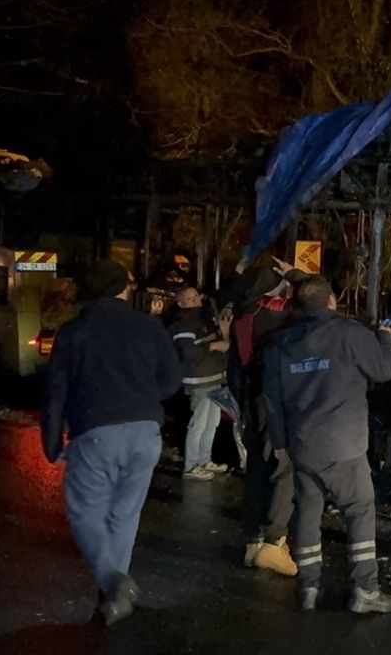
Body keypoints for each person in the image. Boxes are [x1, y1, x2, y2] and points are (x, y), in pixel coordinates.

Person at [40, 259, 181, 625]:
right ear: (123, 289)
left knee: (85, 511)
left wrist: (52, 441)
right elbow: (170, 383)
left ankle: (111, 580)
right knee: (125, 515)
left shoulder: (73, 332)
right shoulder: (149, 327)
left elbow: (55, 393)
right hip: (145, 433)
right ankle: (113, 597)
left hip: (96, 433)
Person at [263, 276, 391, 613]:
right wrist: (385, 336)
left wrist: (280, 442)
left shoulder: (280, 344)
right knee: (359, 510)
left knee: (308, 511)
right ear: (333, 300)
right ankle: (365, 590)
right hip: (345, 445)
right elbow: (383, 370)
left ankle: (308, 586)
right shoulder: (349, 333)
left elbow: (272, 399)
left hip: (303, 445)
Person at [228, 259, 302, 576]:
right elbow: (320, 297)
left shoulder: (243, 317)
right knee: (285, 469)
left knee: (257, 469)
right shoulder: (282, 316)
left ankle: (253, 541)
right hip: (277, 401)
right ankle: (275, 542)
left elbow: (233, 368)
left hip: (249, 399)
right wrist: (298, 276)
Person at [169, 286, 231, 481]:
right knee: (199, 423)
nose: (194, 300)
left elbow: (221, 341)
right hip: (199, 379)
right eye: (188, 298)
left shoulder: (206, 316)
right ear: (180, 303)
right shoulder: (183, 323)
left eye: (195, 296)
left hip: (214, 377)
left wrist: (224, 332)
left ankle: (204, 460)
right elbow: (187, 352)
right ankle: (191, 465)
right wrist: (214, 345)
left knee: (212, 422)